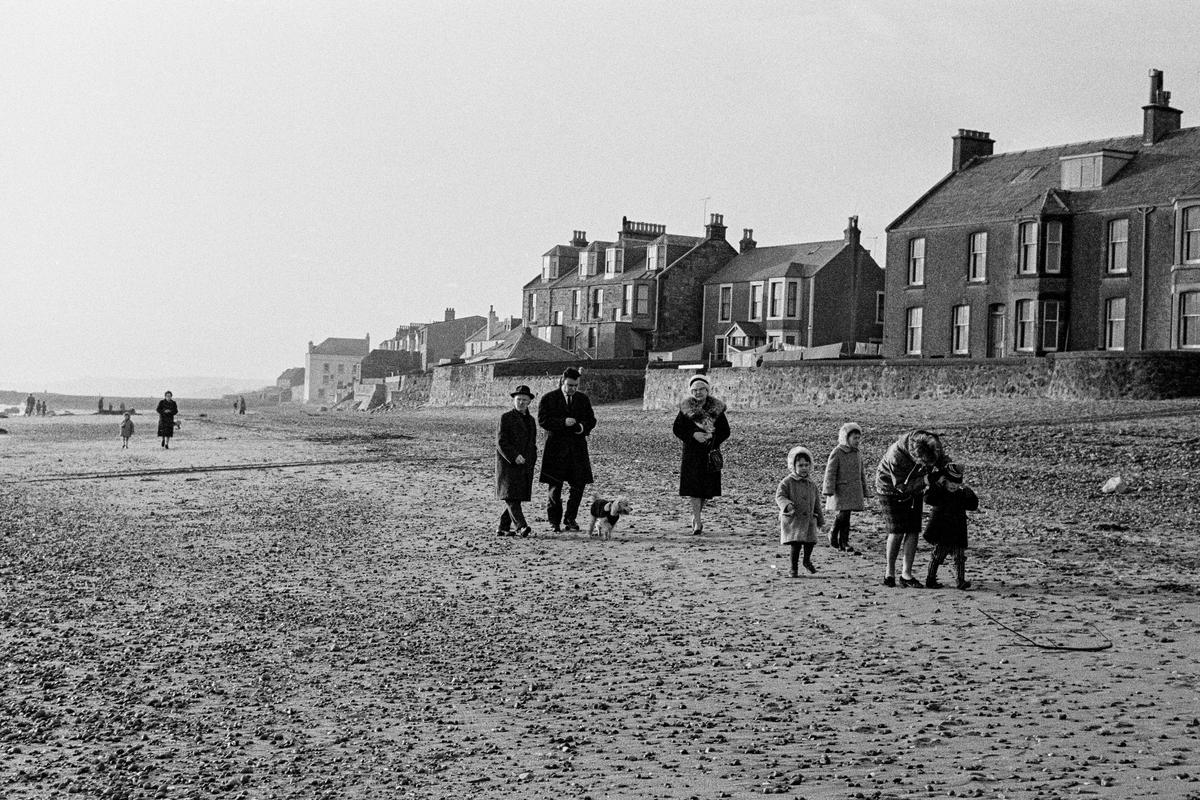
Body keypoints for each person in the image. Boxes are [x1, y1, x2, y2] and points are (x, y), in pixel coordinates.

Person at [875, 429, 947, 588]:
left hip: (917, 485)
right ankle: (890, 572)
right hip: (889, 488)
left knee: (913, 529)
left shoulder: (933, 443)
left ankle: (906, 574)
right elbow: (901, 486)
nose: (927, 466)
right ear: (915, 457)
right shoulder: (897, 456)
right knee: (897, 530)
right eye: (923, 463)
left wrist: (949, 470)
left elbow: (942, 460)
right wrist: (926, 479)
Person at [537, 367, 596, 533]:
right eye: (570, 385)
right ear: (562, 381)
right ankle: (554, 521)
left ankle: (570, 518)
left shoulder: (583, 399)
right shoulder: (548, 398)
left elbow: (591, 420)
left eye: (576, 385)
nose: (573, 389)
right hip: (555, 450)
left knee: (578, 486)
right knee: (555, 488)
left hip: (577, 450)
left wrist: (581, 427)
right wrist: (563, 422)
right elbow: (543, 420)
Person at [672, 373, 730, 535]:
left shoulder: (717, 409)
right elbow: (677, 429)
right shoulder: (686, 408)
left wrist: (712, 436)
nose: (698, 393)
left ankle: (696, 515)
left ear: (707, 390)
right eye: (694, 390)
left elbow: (726, 431)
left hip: (709, 453)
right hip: (691, 454)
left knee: (705, 489)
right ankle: (697, 521)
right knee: (694, 488)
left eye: (701, 389)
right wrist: (693, 435)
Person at [923, 463, 979, 589]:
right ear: (945, 481)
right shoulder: (939, 493)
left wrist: (970, 494)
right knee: (937, 557)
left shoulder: (961, 494)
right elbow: (927, 498)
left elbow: (973, 506)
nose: (953, 485)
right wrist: (937, 484)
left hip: (957, 532)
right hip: (942, 533)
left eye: (957, 483)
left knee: (959, 558)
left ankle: (960, 581)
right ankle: (930, 579)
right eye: (951, 482)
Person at [822, 422, 872, 552]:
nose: (857, 441)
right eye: (854, 438)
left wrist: (865, 490)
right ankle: (833, 532)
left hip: (854, 489)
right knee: (843, 514)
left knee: (847, 516)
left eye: (858, 438)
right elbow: (830, 472)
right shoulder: (837, 452)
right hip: (841, 490)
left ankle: (844, 541)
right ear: (846, 437)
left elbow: (862, 473)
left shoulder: (857, 453)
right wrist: (828, 489)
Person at [496, 385, 538, 537]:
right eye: (518, 399)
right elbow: (501, 442)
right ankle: (521, 526)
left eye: (524, 400)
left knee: (516, 496)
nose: (521, 402)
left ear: (529, 402)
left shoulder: (531, 421)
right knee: (511, 496)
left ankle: (503, 527)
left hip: (525, 464)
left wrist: (531, 459)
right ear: (513, 400)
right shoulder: (505, 417)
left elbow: (532, 443)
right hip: (508, 465)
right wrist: (514, 456)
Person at [776, 445, 824, 577]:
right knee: (796, 545)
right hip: (794, 519)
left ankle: (807, 560)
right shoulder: (787, 482)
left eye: (806, 465)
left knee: (810, 542)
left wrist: (820, 519)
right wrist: (786, 505)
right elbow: (779, 496)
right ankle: (793, 568)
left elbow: (817, 503)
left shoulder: (811, 484)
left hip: (809, 519)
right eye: (800, 465)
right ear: (793, 466)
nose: (804, 468)